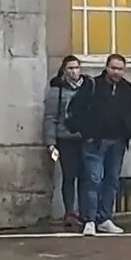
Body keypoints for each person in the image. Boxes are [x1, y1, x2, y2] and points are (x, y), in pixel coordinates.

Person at [66, 53, 131, 236]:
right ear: (107, 67)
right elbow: (75, 109)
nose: (116, 72)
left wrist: (127, 133)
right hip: (95, 141)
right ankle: (89, 219)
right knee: (93, 179)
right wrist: (86, 131)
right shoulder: (92, 85)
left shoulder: (127, 88)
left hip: (117, 141)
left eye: (120, 69)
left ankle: (104, 217)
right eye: (113, 68)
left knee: (112, 180)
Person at [42, 55, 87, 229]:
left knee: (86, 176)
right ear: (64, 70)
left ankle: (85, 211)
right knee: (69, 176)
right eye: (70, 68)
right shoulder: (57, 90)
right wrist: (51, 142)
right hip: (66, 138)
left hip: (84, 137)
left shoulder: (87, 88)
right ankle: (70, 212)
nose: (74, 71)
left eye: (76, 67)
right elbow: (51, 117)